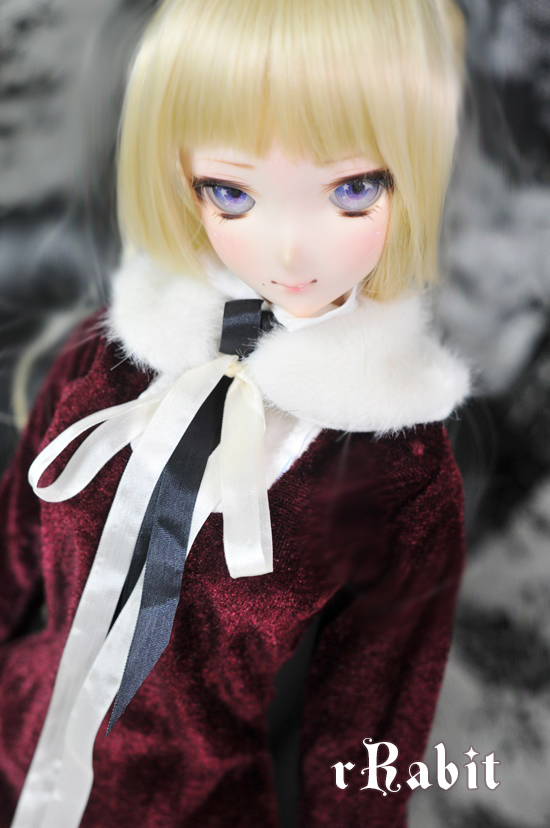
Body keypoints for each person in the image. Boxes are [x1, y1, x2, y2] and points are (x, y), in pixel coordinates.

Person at [0, 0, 471, 825]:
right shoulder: (112, 353)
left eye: (352, 188)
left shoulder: (403, 473)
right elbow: (9, 551)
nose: (288, 249)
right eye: (232, 190)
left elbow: (371, 730)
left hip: (198, 807)